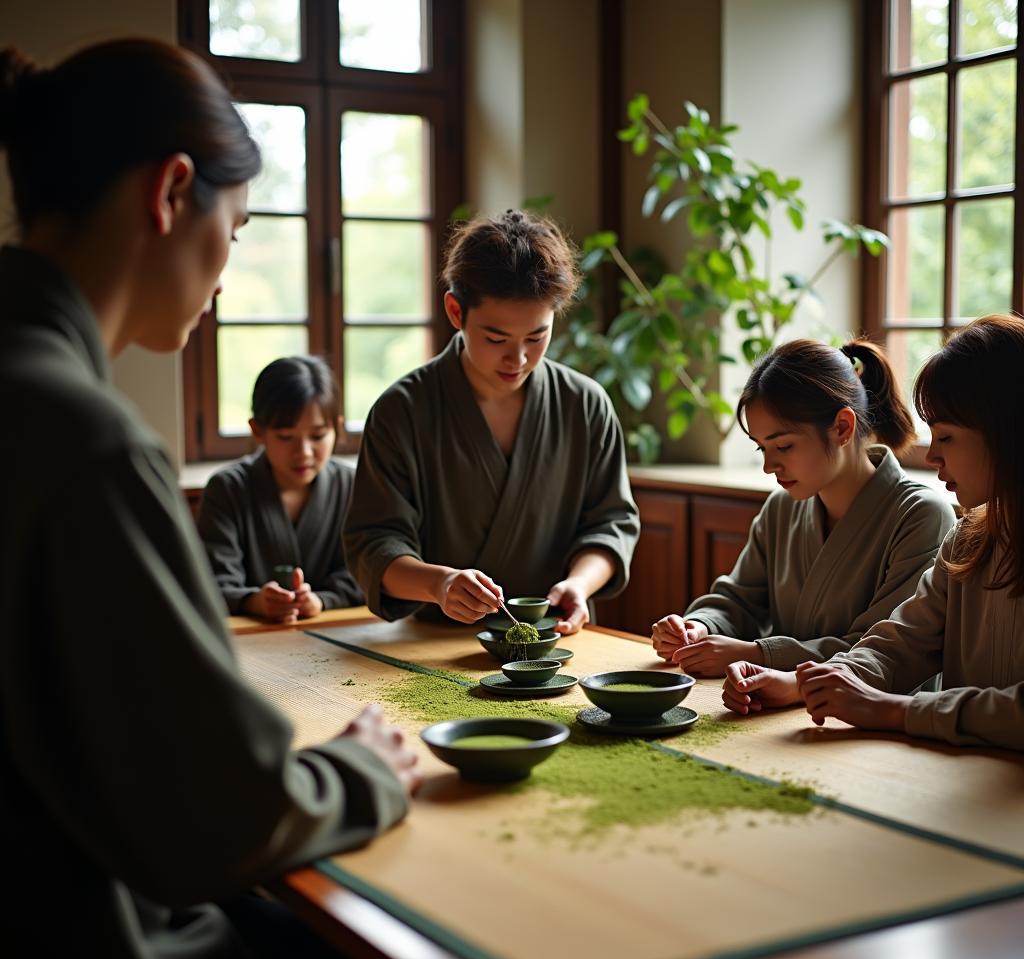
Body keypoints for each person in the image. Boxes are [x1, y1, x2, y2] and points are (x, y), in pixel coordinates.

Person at [0, 39, 419, 959]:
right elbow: (216, 817)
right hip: (84, 958)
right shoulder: (82, 436)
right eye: (232, 228)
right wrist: (362, 768)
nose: (226, 272)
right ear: (170, 193)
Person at [724, 315, 1024, 750]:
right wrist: (805, 683)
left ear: (1007, 432)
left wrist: (891, 709)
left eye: (947, 436)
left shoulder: (923, 514)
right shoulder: (969, 539)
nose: (933, 454)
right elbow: (898, 642)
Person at [343, 209, 640, 635]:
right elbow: (374, 544)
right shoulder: (402, 410)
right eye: (496, 338)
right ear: (454, 311)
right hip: (433, 640)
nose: (517, 359)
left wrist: (579, 584)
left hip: (553, 641)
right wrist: (440, 584)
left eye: (537, 337)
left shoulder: (585, 405)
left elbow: (612, 523)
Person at [652, 338, 955, 677]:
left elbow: (881, 651)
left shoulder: (920, 514)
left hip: (875, 719)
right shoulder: (781, 508)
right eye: (761, 448)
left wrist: (761, 654)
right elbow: (738, 600)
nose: (769, 466)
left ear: (842, 427)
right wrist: (698, 627)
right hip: (780, 704)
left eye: (783, 445)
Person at [198, 355, 363, 622]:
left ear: (337, 428)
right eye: (286, 437)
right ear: (257, 431)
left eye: (318, 436)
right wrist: (254, 601)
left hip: (335, 631)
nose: (304, 452)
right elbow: (211, 581)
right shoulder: (228, 489)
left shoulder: (351, 486)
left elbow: (368, 572)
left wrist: (321, 601)